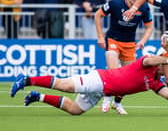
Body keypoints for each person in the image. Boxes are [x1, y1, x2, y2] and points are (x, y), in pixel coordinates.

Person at [10, 43, 168, 115]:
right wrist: (166, 59)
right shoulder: (147, 63)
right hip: (100, 79)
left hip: (102, 91)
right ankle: (26, 80)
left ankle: (38, 96)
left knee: (75, 110)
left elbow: (166, 93)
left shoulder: (155, 83)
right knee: (65, 86)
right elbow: (152, 59)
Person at [94, 0, 153, 114]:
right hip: (113, 40)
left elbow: (149, 27)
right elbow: (98, 15)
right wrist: (100, 37)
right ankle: (107, 99)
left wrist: (143, 40)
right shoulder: (115, 3)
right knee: (114, 72)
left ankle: (117, 103)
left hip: (130, 44)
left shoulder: (144, 7)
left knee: (128, 79)